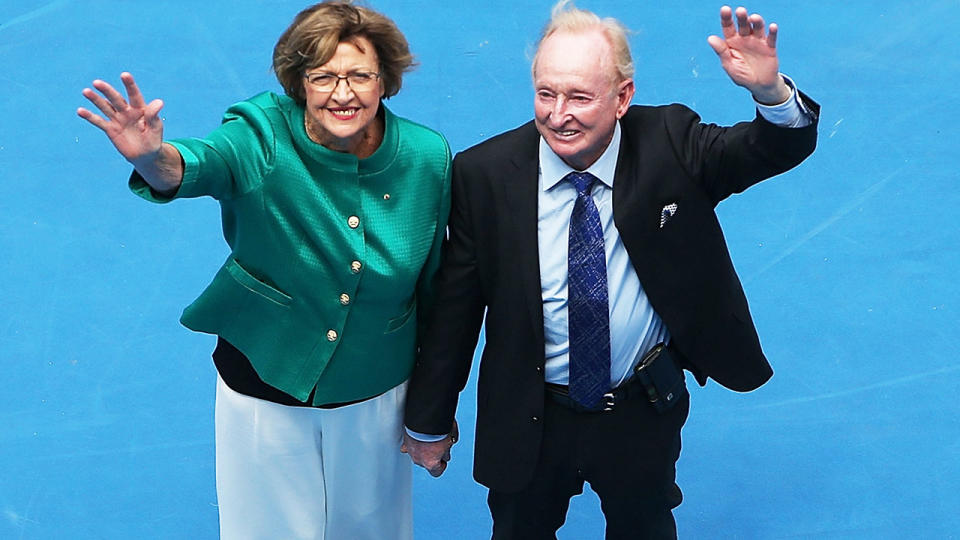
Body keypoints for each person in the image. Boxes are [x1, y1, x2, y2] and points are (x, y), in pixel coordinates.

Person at [402, 2, 818, 538]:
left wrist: (768, 92)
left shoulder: (671, 141)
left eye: (579, 96)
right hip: (530, 412)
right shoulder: (483, 175)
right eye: (545, 93)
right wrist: (429, 420)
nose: (558, 114)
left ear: (623, 97)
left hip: (640, 408)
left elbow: (771, 148)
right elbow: (456, 309)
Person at [77, 2, 450, 538]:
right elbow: (200, 163)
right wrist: (151, 158)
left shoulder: (427, 157)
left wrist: (431, 413)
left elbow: (439, 292)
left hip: (376, 389)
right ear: (298, 83)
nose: (342, 93)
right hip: (263, 385)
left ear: (385, 80)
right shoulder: (260, 135)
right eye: (323, 77)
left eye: (360, 75)